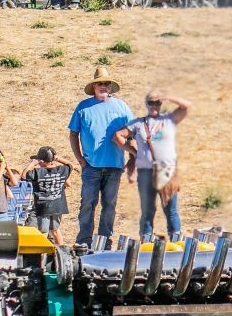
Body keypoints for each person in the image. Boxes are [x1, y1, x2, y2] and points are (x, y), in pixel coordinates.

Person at [69, 67, 134, 246]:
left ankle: (104, 241)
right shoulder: (83, 107)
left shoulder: (121, 106)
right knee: (88, 203)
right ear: (94, 87)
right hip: (91, 165)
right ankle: (84, 240)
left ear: (110, 87)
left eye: (106, 83)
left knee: (109, 205)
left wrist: (132, 158)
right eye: (100, 83)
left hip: (114, 165)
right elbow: (73, 134)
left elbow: (133, 131)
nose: (103, 86)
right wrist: (80, 159)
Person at [120, 91, 190, 241]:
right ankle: (145, 240)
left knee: (170, 208)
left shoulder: (169, 119)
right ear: (146, 104)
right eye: (151, 102)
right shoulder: (138, 123)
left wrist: (168, 96)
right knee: (147, 209)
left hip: (167, 170)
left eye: (157, 102)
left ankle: (176, 240)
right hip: (146, 171)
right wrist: (133, 152)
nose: (154, 106)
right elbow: (118, 136)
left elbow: (187, 106)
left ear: (161, 104)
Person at [22, 147, 74, 244]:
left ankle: (42, 254)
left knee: (43, 232)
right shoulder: (61, 170)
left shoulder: (38, 172)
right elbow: (71, 165)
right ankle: (62, 252)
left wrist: (32, 163)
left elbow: (24, 175)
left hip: (44, 206)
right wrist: (58, 159)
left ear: (41, 161)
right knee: (56, 231)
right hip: (58, 206)